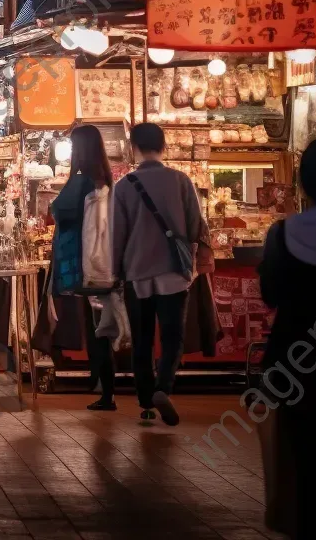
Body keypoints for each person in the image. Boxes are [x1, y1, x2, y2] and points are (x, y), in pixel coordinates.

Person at [112, 122, 207, 426]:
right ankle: (163, 388)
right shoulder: (181, 181)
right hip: (173, 272)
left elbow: (117, 235)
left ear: (133, 148)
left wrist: (116, 272)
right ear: (163, 146)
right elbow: (195, 227)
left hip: (137, 274)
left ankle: (145, 401)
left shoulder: (124, 186)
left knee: (141, 340)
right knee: (171, 337)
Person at [259, 136, 316, 539]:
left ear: (302, 184)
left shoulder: (282, 235)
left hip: (294, 358)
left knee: (300, 451)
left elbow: (271, 295)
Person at [50, 125, 118, 411]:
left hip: (82, 261)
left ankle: (104, 389)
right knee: (102, 326)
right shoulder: (105, 179)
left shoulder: (81, 180)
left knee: (96, 330)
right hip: (102, 261)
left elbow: (60, 210)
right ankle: (103, 386)